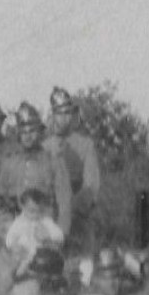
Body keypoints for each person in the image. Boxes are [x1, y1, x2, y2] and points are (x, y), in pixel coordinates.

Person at [0, 102, 75, 235]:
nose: (28, 136)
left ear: (40, 131)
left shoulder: (54, 161)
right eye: (23, 132)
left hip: (47, 227)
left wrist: (60, 235)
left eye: (32, 130)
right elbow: (2, 201)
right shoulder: (9, 163)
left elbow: (64, 204)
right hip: (17, 230)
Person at [46, 87, 103, 252]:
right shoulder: (45, 147)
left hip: (79, 214)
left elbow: (91, 186)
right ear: (52, 115)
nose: (64, 118)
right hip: (51, 216)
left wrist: (71, 210)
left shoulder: (85, 145)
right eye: (59, 113)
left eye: (67, 113)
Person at [3, 187, 66, 262]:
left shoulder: (46, 221)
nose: (36, 215)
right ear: (23, 207)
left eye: (39, 211)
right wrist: (14, 245)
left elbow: (59, 235)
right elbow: (10, 237)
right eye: (32, 211)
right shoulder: (19, 222)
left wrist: (48, 237)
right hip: (23, 254)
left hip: (42, 256)